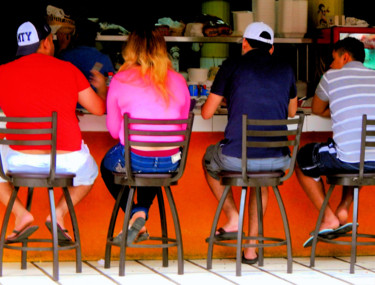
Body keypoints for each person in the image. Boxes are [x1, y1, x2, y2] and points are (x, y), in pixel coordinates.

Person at [0, 18, 106, 244]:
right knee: (91, 172)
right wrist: (103, 90)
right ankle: (59, 212)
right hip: (68, 163)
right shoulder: (69, 70)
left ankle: (21, 214)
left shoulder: (3, 72)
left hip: (19, 162)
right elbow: (98, 109)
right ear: (47, 42)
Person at [201, 22, 297, 264]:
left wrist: (229, 99)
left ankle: (233, 216)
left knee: (209, 158)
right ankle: (251, 249)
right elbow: (292, 111)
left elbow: (206, 114)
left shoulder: (232, 65)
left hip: (237, 158)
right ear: (272, 48)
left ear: (244, 43)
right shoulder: (286, 69)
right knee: (261, 181)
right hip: (277, 160)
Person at [100, 25, 190, 245]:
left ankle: (135, 215)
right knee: (155, 165)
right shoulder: (178, 80)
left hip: (136, 160)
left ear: (130, 50)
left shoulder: (121, 80)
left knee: (108, 166)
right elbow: (181, 127)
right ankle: (140, 214)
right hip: (172, 163)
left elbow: (113, 131)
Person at [295, 37, 375, 247]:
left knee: (303, 159)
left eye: (333, 59)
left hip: (347, 160)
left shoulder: (331, 76)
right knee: (362, 157)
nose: (330, 65)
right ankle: (343, 208)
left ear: (345, 57)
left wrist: (339, 108)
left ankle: (328, 216)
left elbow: (317, 109)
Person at [57, 18, 115, 108]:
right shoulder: (104, 59)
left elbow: (55, 80)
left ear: (76, 36)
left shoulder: (65, 57)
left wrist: (62, 47)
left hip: (71, 110)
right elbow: (111, 85)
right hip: (96, 111)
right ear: (95, 37)